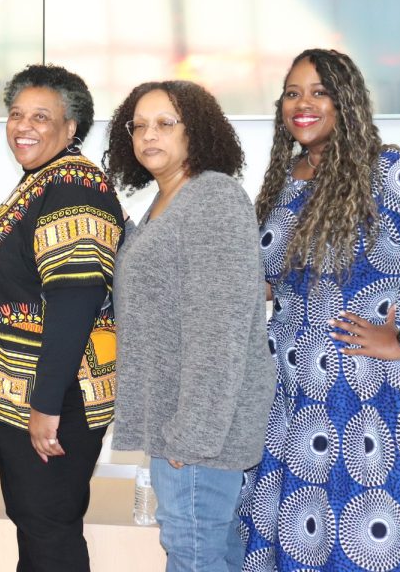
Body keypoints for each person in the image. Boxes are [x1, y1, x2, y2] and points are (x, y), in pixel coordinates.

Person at [240, 49, 400, 571]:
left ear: (347, 102)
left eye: (318, 92)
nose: (302, 103)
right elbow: (275, 283)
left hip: (368, 401)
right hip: (287, 402)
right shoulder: (284, 180)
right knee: (299, 540)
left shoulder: (389, 172)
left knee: (372, 541)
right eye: (292, 93)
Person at [0, 64, 125, 572]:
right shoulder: (44, 181)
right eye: (16, 114)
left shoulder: (73, 185)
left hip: (53, 398)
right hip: (31, 394)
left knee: (48, 527)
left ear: (71, 128)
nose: (23, 125)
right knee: (40, 523)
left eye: (40, 117)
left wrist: (45, 406)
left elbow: (74, 301)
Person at [103, 80, 273, 572]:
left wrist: (192, 435)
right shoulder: (162, 203)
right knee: (210, 555)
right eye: (138, 126)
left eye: (164, 124)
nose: (148, 136)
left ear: (195, 131)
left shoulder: (211, 197)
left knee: (194, 558)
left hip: (199, 436)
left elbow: (220, 328)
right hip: (181, 428)